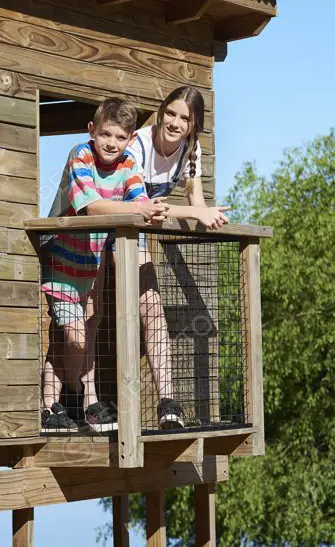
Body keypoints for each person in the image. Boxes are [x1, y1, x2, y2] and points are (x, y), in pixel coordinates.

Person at [40, 98, 168, 433]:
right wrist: (138, 210)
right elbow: (91, 207)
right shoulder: (80, 155)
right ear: (92, 131)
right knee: (76, 337)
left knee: (71, 337)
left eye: (120, 137)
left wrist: (147, 208)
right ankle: (67, 398)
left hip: (89, 267)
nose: (111, 143)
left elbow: (139, 200)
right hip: (62, 265)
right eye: (106, 134)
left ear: (130, 140)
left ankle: (55, 407)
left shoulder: (127, 165)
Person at [125, 85, 231, 429]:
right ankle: (77, 403)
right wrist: (194, 213)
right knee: (91, 317)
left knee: (152, 308)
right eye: (170, 112)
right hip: (108, 229)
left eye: (184, 117)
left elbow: (194, 199)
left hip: (134, 234)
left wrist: (209, 214)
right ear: (161, 111)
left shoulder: (190, 149)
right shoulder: (139, 144)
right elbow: (144, 205)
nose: (174, 121)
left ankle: (168, 403)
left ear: (193, 124)